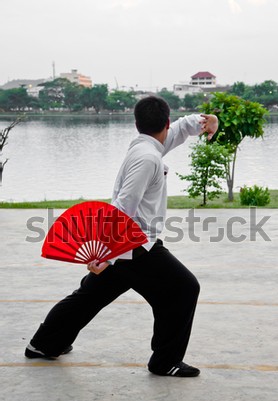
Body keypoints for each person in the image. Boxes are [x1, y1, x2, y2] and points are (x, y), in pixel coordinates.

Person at [25, 96, 218, 377]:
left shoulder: (145, 145)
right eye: (169, 123)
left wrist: (203, 121)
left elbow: (176, 132)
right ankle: (165, 361)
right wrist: (104, 254)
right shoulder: (148, 157)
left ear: (137, 123)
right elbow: (123, 208)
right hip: (133, 246)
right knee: (184, 289)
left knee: (90, 296)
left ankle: (43, 344)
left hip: (124, 246)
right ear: (163, 121)